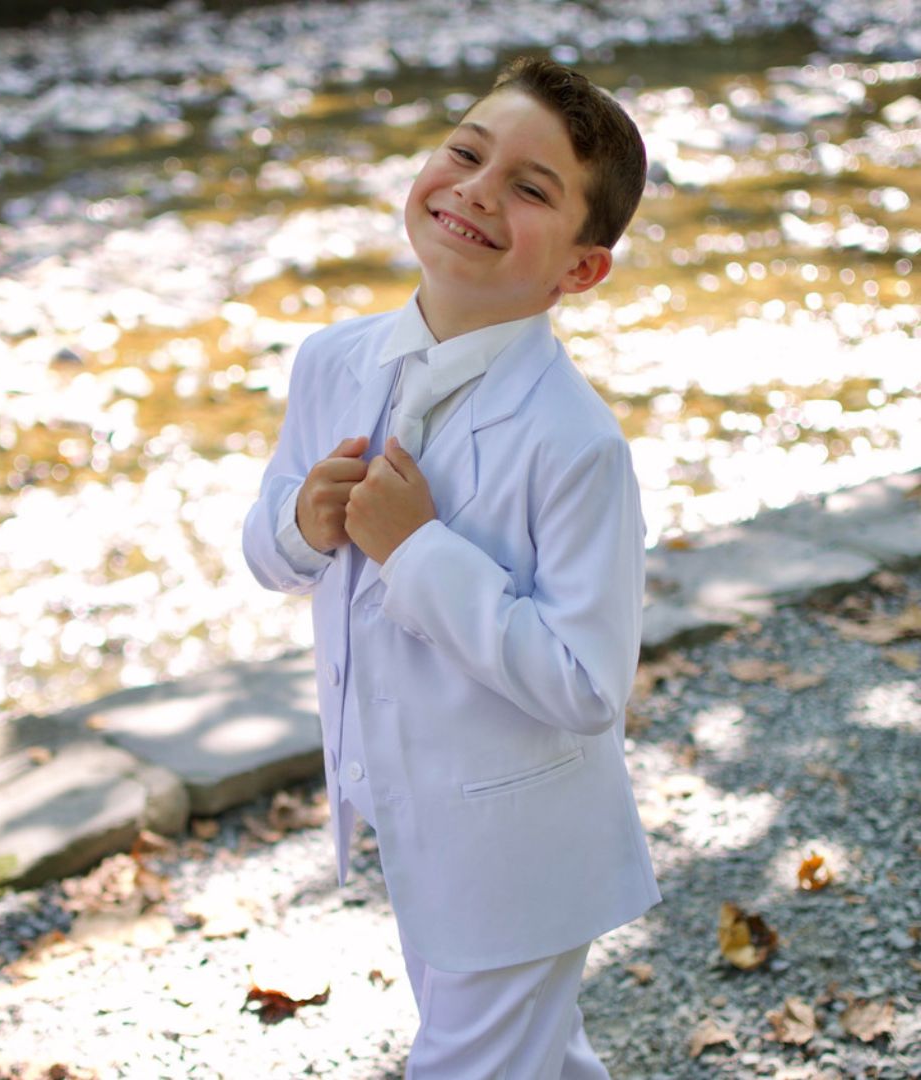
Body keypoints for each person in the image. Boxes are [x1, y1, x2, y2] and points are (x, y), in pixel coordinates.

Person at [242, 56, 659, 1078]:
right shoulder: (331, 363)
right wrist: (302, 520)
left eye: (530, 188)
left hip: (518, 836)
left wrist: (419, 551)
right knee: (531, 1059)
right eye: (468, 153)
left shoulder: (576, 444)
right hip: (407, 798)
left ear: (579, 269)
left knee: (472, 1065)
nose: (477, 189)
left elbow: (585, 682)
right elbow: (272, 561)